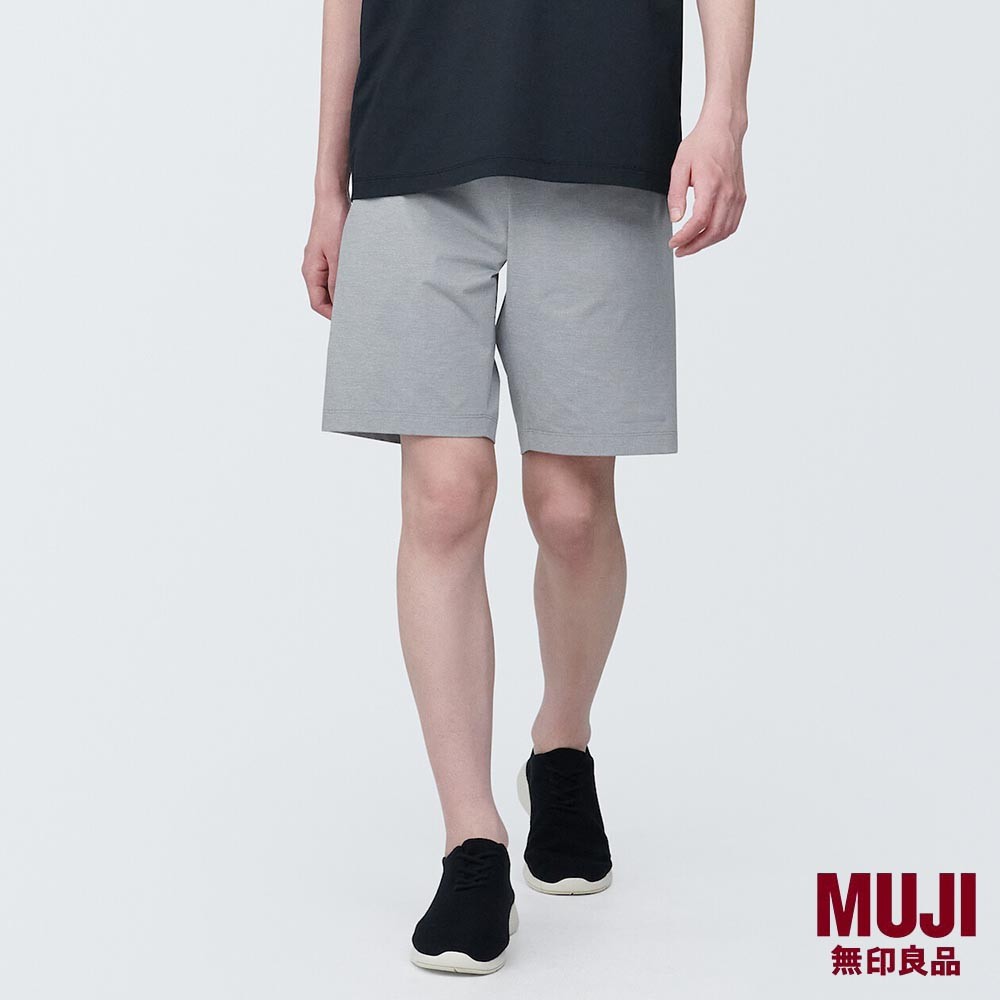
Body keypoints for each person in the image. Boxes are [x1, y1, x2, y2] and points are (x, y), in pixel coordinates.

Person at [303, 0, 754, 976]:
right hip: (411, 136)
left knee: (571, 510)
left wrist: (724, 111)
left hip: (599, 131)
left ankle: (561, 745)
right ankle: (472, 840)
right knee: (445, 495)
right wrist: (327, 185)